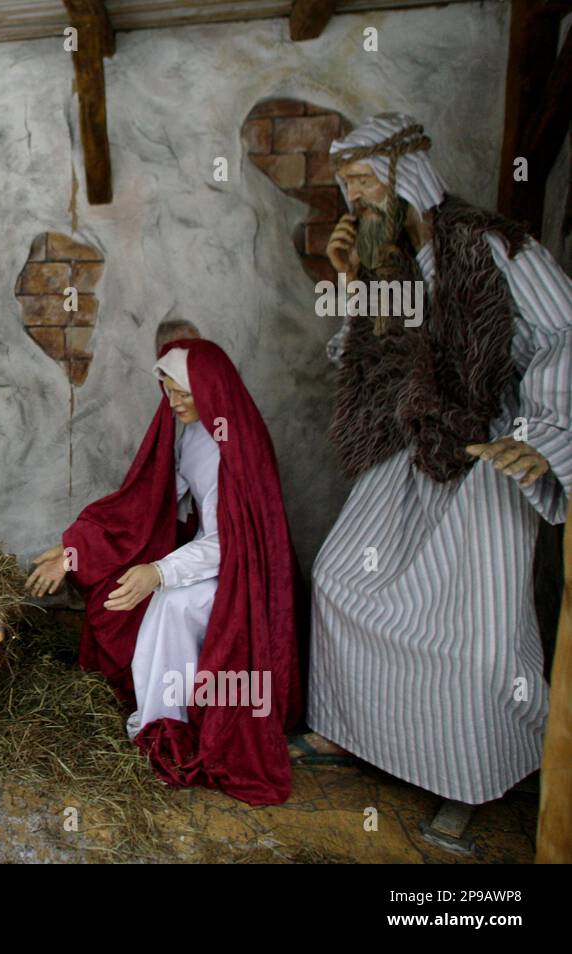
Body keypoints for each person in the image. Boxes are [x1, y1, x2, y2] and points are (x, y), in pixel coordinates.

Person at [303, 113, 572, 806]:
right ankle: (347, 730)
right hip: (411, 437)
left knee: (471, 634)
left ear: (407, 172)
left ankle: (468, 776)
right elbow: (378, 355)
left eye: (366, 180)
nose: (356, 197)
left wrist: (541, 435)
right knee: (339, 578)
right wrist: (354, 279)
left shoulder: (491, 243)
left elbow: (563, 333)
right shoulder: (384, 252)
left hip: (489, 441)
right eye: (348, 184)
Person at [26, 339, 302, 805]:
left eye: (182, 393)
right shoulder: (193, 432)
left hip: (244, 573)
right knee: (128, 587)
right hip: (205, 554)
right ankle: (157, 710)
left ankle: (161, 725)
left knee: (171, 604)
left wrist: (159, 572)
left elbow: (232, 541)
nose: (172, 403)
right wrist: (75, 549)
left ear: (210, 390)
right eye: (168, 392)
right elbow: (148, 503)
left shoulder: (231, 446)